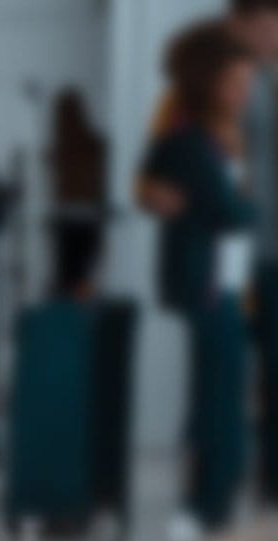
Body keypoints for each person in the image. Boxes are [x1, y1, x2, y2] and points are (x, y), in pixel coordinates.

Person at [141, 0, 278, 509]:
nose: (267, 38)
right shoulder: (198, 99)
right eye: (258, 28)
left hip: (261, 254)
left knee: (256, 376)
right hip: (226, 261)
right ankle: (211, 494)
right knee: (219, 382)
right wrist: (156, 194)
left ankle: (255, 488)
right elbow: (156, 174)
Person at [48, 89, 110, 298]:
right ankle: (83, 319)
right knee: (84, 274)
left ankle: (68, 319)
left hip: (66, 218)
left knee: (66, 275)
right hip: (90, 217)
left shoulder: (58, 150)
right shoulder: (95, 145)